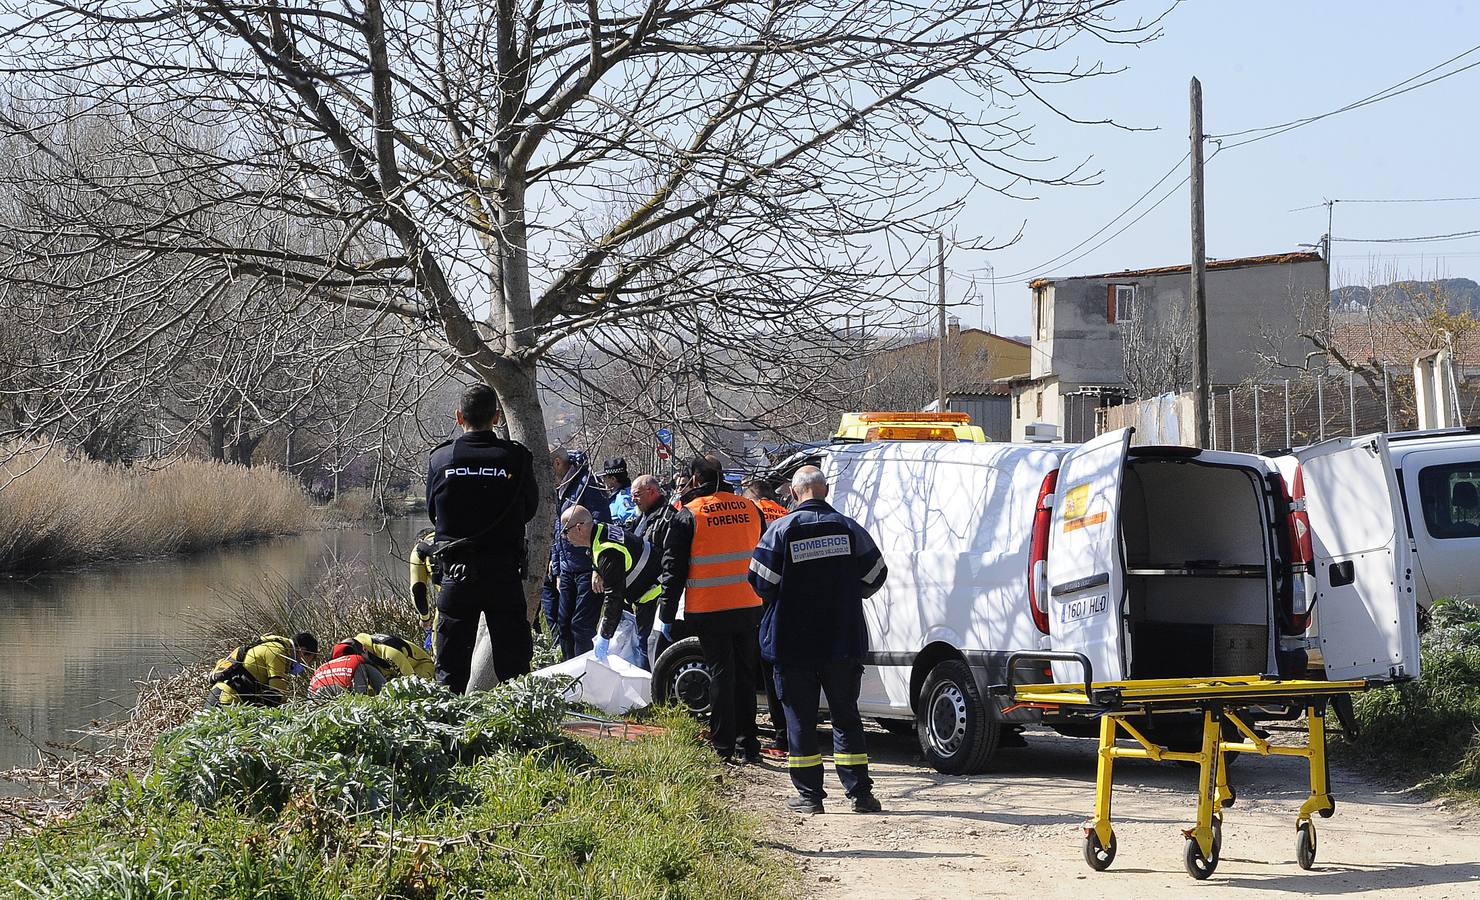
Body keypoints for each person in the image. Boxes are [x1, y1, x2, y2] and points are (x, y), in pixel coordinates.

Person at [748, 465, 889, 814]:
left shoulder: (780, 530)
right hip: (841, 639)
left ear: (795, 494)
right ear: (824, 492)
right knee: (846, 716)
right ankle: (860, 794)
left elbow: (760, 582)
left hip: (792, 642)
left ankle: (810, 797)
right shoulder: (849, 528)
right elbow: (876, 574)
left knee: (800, 719)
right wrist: (845, 590)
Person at [425, 383, 539, 693]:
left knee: (449, 673)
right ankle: (518, 734)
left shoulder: (441, 459)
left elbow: (434, 513)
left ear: (459, 416)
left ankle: (450, 735)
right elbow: (529, 509)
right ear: (497, 418)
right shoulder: (517, 458)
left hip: (457, 575)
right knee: (515, 670)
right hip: (503, 573)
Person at [658, 455, 766, 762]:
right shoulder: (750, 508)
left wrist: (667, 610)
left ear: (694, 480)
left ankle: (723, 745)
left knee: (721, 674)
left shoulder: (690, 514)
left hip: (710, 608)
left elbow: (673, 568)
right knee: (745, 675)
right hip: (748, 604)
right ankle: (749, 744)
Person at [559, 505, 662, 665]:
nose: (565, 537)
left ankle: (651, 687)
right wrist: (596, 569)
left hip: (653, 593)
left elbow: (614, 596)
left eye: (565, 531)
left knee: (646, 647)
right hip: (649, 585)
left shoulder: (607, 551)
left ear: (579, 528)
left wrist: (605, 635)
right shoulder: (599, 529)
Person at [545, 447, 610, 659]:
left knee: (581, 627)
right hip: (567, 568)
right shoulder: (562, 488)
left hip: (586, 568)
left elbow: (601, 526)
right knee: (563, 624)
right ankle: (568, 670)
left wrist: (597, 567)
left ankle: (586, 675)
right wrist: (556, 564)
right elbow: (558, 528)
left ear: (557, 463)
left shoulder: (587, 486)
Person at [631, 473, 677, 666]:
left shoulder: (668, 518)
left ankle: (651, 692)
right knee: (642, 642)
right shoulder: (642, 515)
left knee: (650, 645)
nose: (633, 500)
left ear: (651, 491)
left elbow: (670, 560)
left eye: (636, 495)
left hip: (656, 593)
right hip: (642, 593)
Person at [206, 632, 319, 707]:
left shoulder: (273, 645)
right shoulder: (278, 651)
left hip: (220, 695)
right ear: (302, 650)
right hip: (227, 700)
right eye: (309, 660)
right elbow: (277, 694)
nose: (306, 665)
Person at [308, 640, 387, 699]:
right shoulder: (357, 660)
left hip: (318, 704)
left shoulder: (320, 669)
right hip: (349, 701)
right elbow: (384, 688)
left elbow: (310, 699)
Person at [351, 632, 436, 680]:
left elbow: (412, 681)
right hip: (397, 673)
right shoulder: (366, 649)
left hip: (422, 665)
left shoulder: (388, 652)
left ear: (364, 650)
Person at [409, 530, 439, 649]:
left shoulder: (421, 549)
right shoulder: (457, 535)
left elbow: (417, 590)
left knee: (442, 659)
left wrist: (425, 619)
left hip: (451, 605)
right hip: (491, 598)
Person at [600, 457, 639, 526]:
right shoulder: (621, 494)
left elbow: (631, 517)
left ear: (613, 479)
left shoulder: (623, 497)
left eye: (604, 477)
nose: (603, 480)